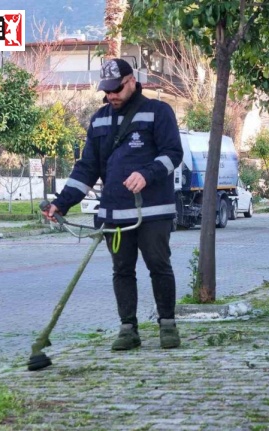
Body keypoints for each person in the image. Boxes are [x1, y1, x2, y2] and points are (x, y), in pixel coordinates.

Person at [42, 58, 184, 350]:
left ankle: (167, 325)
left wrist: (147, 174)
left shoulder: (159, 112)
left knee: (158, 265)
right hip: (113, 214)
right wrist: (62, 203)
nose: (111, 96)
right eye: (106, 91)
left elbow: (173, 153)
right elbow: (87, 168)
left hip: (152, 212)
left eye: (117, 89)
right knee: (122, 270)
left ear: (131, 81)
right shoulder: (100, 119)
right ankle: (128, 329)